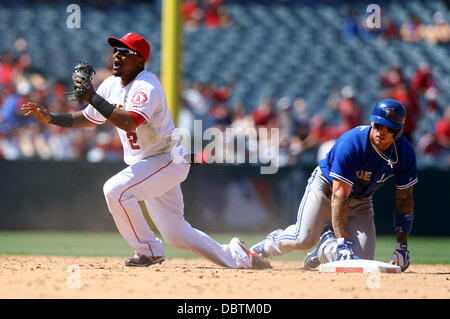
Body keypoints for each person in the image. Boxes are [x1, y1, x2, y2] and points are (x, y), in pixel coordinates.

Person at [21, 32, 270, 270]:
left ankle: (149, 249)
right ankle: (237, 255)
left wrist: (93, 97)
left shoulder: (146, 86)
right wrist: (51, 117)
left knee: (115, 190)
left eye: (125, 52)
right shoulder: (111, 85)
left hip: (166, 159)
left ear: (140, 59)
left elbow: (129, 121)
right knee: (175, 233)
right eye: (116, 50)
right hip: (148, 164)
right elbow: (88, 118)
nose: (117, 55)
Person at [251, 99, 417, 272]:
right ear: (372, 123)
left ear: (398, 133)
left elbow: (405, 200)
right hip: (327, 188)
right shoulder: (352, 143)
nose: (382, 132)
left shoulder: (405, 154)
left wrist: (402, 246)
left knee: (361, 260)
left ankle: (324, 248)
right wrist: (342, 242)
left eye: (389, 128)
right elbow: (339, 196)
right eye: (378, 126)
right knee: (304, 238)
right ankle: (265, 247)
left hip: (361, 200)